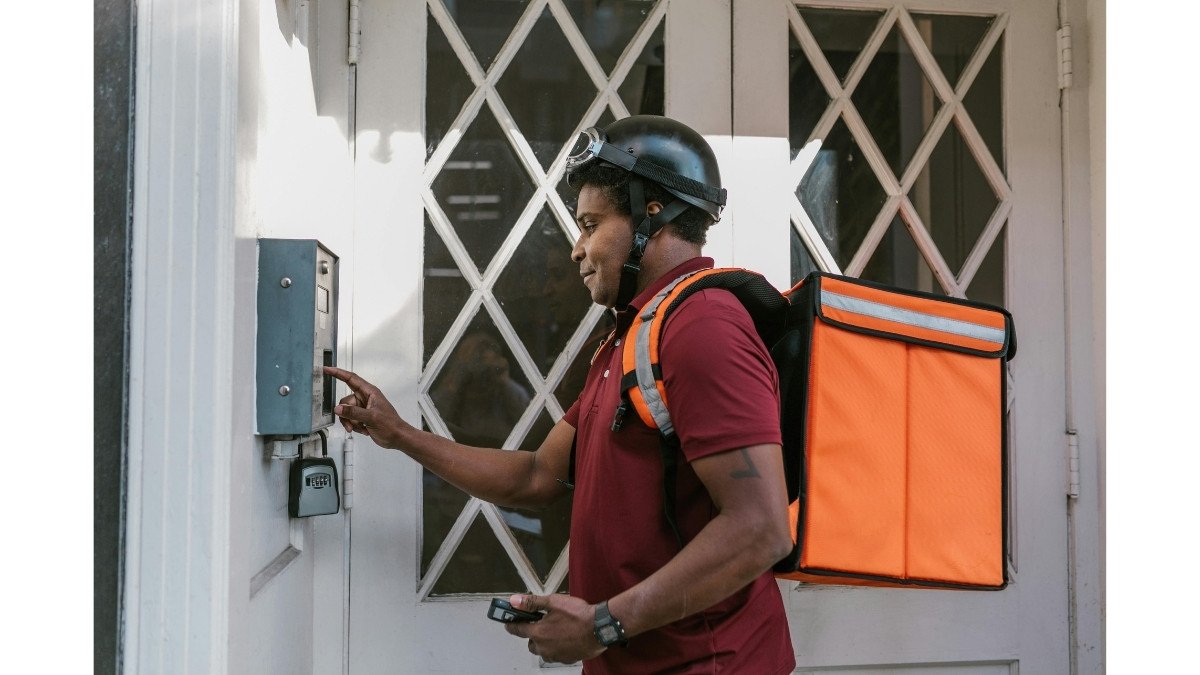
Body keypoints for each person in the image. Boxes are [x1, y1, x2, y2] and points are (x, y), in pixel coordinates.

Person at [326, 115, 796, 673]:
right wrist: (399, 434)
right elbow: (535, 477)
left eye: (591, 224)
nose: (578, 249)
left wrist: (603, 624)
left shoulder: (704, 327)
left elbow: (759, 529)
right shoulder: (631, 337)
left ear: (653, 216)